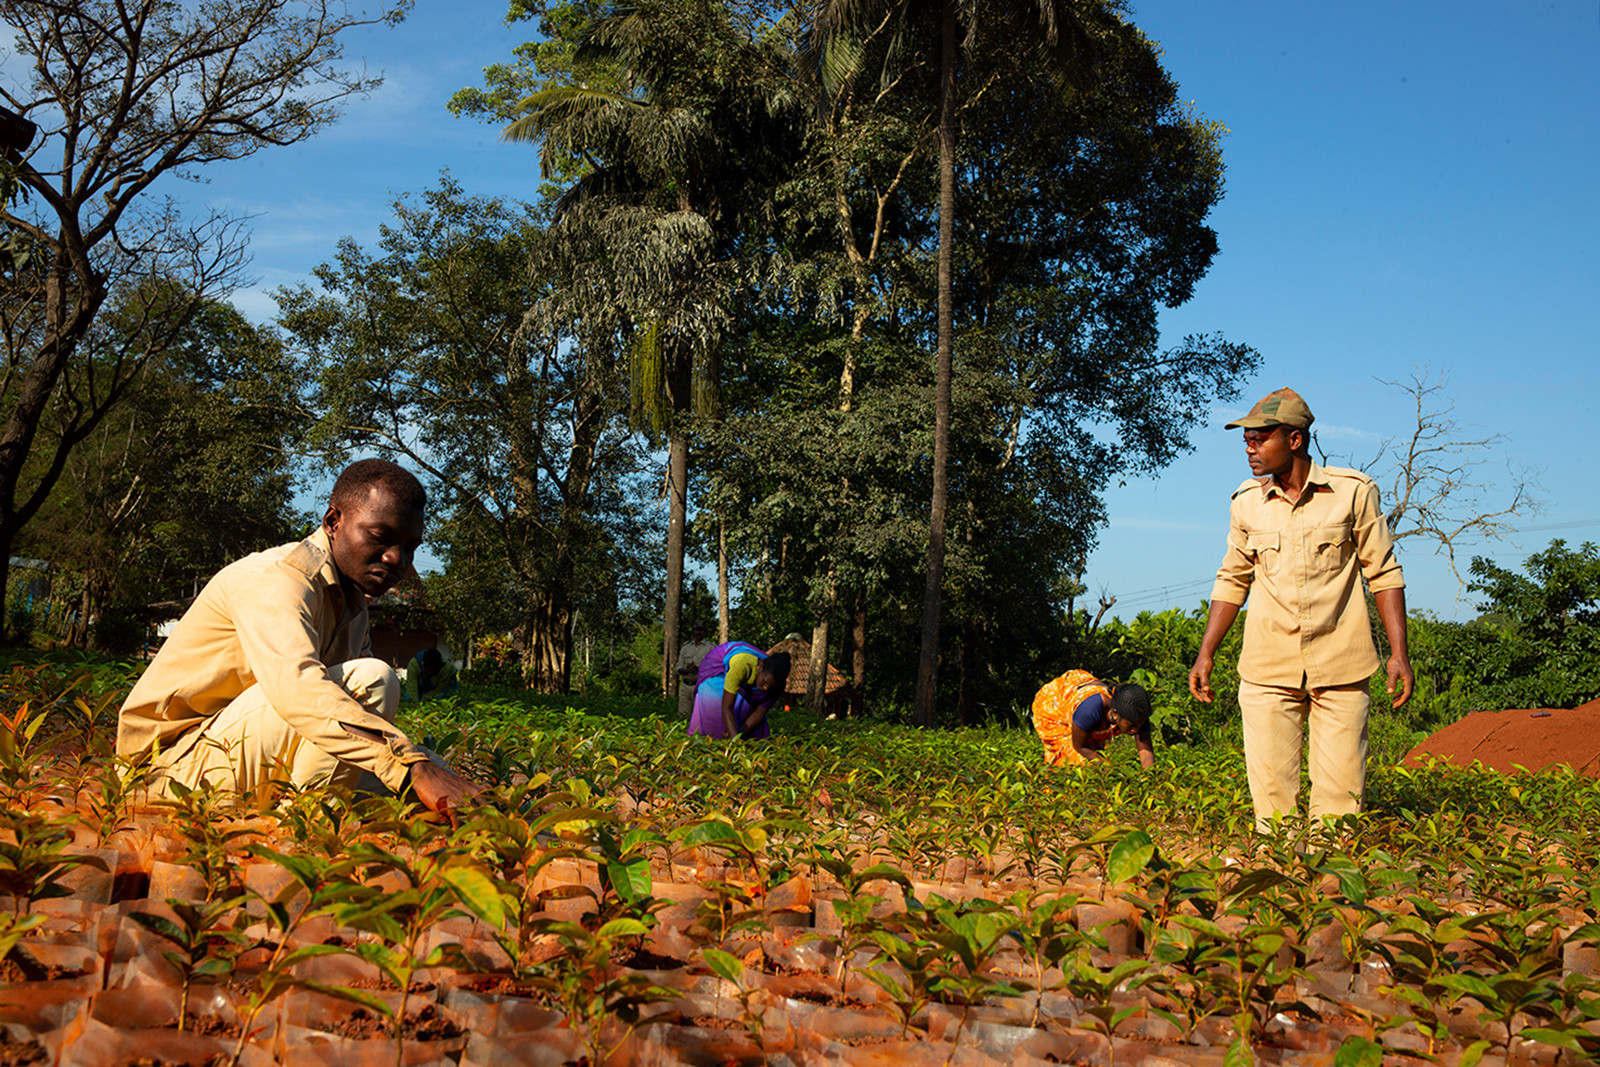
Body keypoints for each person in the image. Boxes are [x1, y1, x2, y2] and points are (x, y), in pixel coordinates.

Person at [116, 459, 483, 816]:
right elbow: (301, 692)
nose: (397, 559)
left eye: (410, 547)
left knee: (437, 789)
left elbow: (341, 718)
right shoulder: (276, 580)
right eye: (380, 537)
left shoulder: (353, 602)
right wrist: (410, 768)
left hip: (243, 756)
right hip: (167, 771)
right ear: (332, 522)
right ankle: (301, 831)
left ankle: (309, 814)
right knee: (375, 683)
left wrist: (428, 768)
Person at [1186, 387, 1413, 831]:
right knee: (1272, 806)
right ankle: (1282, 889)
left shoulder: (1352, 493)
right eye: (1246, 440)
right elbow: (1232, 579)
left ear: (1294, 440)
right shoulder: (1247, 502)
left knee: (1340, 803)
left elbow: (1383, 572)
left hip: (1342, 668)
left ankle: (1328, 892)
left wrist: (1398, 653)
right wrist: (1206, 651)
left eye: (1260, 438)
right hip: (1267, 669)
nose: (1250, 448)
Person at [1032, 670, 1156, 769]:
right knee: (1077, 764)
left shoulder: (1136, 713)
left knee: (1097, 758)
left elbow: (1146, 752)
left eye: (1138, 725)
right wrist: (1110, 771)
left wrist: (1149, 782)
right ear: (1115, 713)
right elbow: (1080, 746)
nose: (1135, 730)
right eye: (1131, 726)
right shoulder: (1089, 711)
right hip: (1056, 705)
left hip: (1084, 709)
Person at [687, 641, 791, 740]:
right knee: (714, 715)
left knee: (749, 723)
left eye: (771, 686)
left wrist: (739, 733)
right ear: (760, 666)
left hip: (744, 676)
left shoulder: (778, 685)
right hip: (717, 667)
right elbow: (727, 707)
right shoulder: (741, 665)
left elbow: (759, 712)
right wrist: (735, 741)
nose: (766, 688)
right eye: (764, 682)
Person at [674, 619, 717, 719]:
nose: (698, 632)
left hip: (701, 687)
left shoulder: (711, 648)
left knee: (700, 717)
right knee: (682, 716)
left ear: (705, 631)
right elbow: (678, 667)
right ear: (693, 631)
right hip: (685, 686)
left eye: (701, 630)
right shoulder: (686, 647)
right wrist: (686, 670)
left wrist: (699, 670)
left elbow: (715, 669)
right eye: (696, 629)